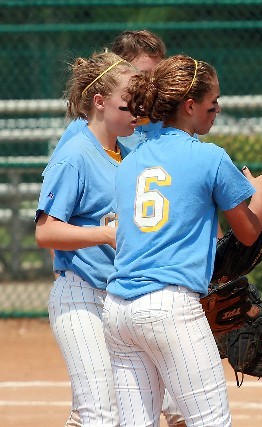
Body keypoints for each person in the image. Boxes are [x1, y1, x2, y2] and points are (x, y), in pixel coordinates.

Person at [102, 54, 262, 426]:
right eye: (212, 103)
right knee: (211, 420)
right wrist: (260, 192)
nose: (217, 110)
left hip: (117, 310)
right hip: (168, 307)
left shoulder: (131, 161)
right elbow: (248, 232)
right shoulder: (209, 157)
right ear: (189, 106)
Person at [34, 51, 137, 426]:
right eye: (127, 105)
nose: (137, 113)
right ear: (99, 102)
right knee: (100, 413)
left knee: (130, 411)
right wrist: (104, 234)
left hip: (122, 298)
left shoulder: (131, 156)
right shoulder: (75, 156)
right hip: (81, 295)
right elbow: (45, 231)